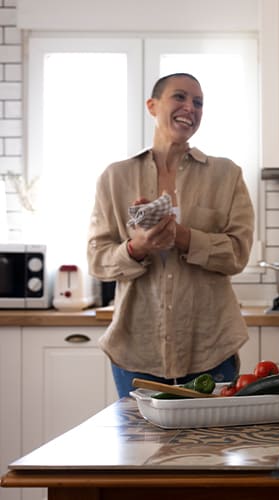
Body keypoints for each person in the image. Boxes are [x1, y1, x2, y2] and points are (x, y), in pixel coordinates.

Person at [87, 73, 255, 398]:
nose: (190, 108)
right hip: (135, 350)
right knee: (140, 448)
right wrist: (137, 247)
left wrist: (181, 236)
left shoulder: (227, 175)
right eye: (179, 97)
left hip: (211, 347)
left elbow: (238, 253)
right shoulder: (115, 178)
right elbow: (97, 258)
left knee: (210, 448)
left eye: (198, 102)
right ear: (152, 106)